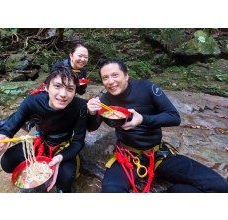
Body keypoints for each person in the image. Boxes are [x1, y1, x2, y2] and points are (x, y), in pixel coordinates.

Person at [87, 59, 228, 193]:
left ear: (126, 75)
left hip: (157, 154)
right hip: (127, 156)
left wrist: (143, 119)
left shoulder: (147, 88)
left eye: (115, 75)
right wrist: (92, 113)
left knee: (219, 186)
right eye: (105, 78)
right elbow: (92, 127)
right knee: (111, 192)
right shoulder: (104, 100)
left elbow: (174, 117)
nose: (110, 81)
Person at [0, 67, 88, 193]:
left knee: (65, 180)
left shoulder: (80, 107)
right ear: (46, 87)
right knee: (7, 162)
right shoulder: (33, 101)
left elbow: (78, 141)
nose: (63, 94)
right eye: (57, 86)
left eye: (70, 89)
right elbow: (14, 122)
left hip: (63, 147)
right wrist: (3, 135)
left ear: (75, 91)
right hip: (41, 141)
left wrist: (62, 157)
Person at [0, 43, 89, 132]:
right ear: (71, 55)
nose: (83, 59)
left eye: (86, 57)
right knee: (31, 105)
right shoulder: (60, 65)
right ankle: (5, 123)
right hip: (48, 92)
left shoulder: (83, 72)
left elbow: (80, 92)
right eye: (80, 56)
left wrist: (82, 85)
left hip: (65, 96)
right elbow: (51, 84)